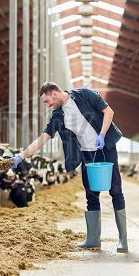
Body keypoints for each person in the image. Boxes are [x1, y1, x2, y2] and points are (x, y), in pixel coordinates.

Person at [10, 82, 128, 253]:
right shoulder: (57, 116)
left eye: (47, 101)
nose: (47, 105)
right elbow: (43, 138)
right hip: (87, 155)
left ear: (54, 93)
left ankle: (123, 240)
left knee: (115, 190)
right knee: (91, 194)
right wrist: (21, 156)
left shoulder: (85, 95)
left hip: (106, 148)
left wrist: (102, 135)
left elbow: (108, 112)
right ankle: (93, 239)